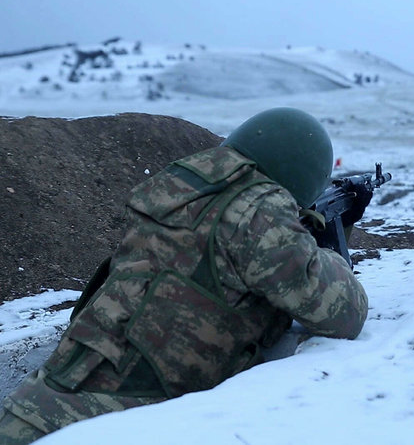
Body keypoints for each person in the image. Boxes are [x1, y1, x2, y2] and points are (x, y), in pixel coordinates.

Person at [0, 107, 369, 443]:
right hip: (99, 423)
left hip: (38, 398)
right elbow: (345, 314)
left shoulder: (180, 186)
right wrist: (320, 246)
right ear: (302, 173)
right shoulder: (260, 215)